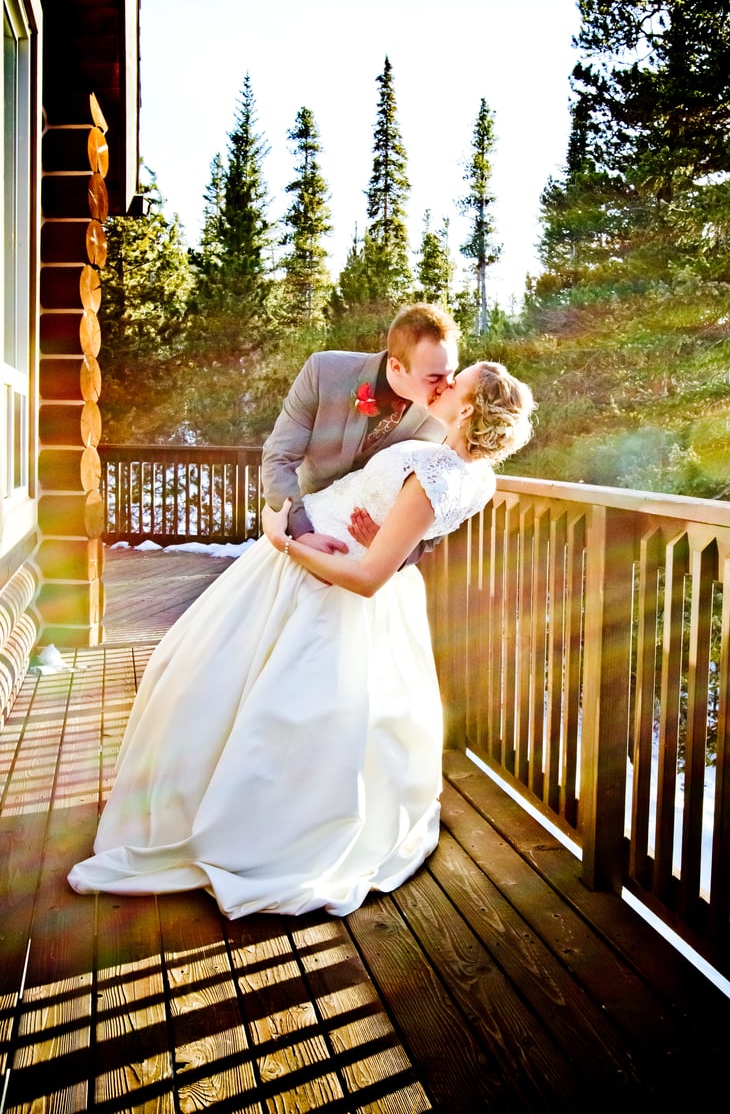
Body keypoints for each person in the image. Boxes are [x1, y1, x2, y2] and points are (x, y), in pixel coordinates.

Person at [68, 362, 535, 919]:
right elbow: (403, 533)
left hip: (321, 584)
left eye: (457, 381)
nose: (446, 381)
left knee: (270, 704)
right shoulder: (477, 475)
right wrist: (384, 541)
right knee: (239, 687)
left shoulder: (437, 471)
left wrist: (283, 542)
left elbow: (368, 579)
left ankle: (250, 830)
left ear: (468, 408)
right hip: (323, 570)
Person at [262, 302, 460, 555]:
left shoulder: (445, 418)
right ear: (396, 366)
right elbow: (279, 457)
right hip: (303, 530)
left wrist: (391, 549)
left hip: (373, 560)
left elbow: (442, 507)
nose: (447, 387)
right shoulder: (324, 372)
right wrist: (301, 533)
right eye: (434, 378)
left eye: (452, 373)